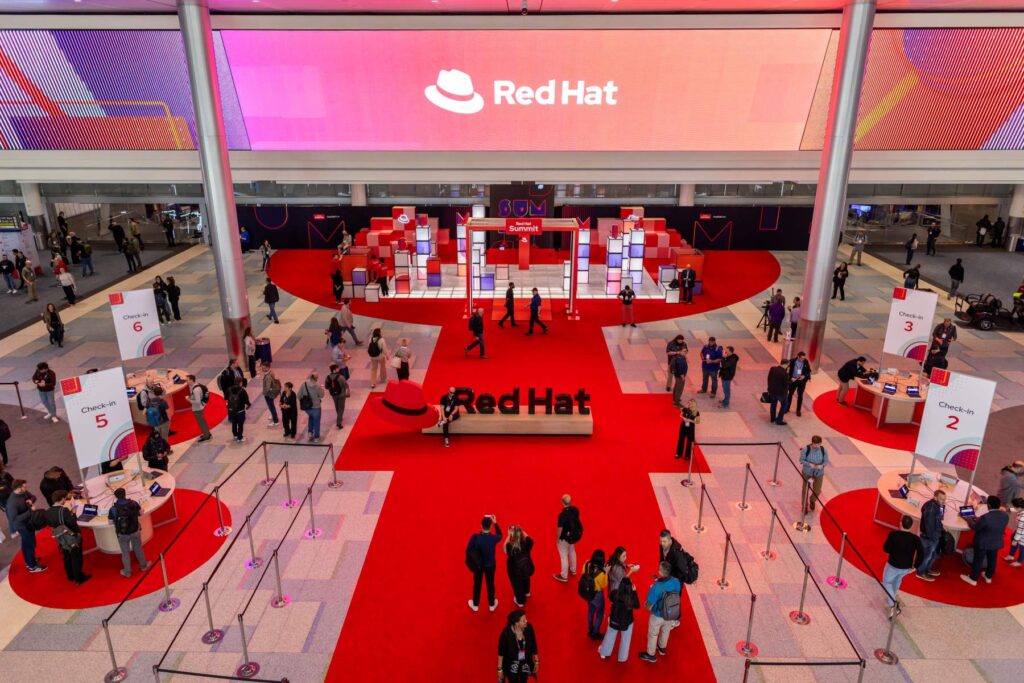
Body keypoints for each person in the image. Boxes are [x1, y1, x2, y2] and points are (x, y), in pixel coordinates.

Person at [638, 561, 681, 663]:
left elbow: (649, 605)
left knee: (653, 634)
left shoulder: (657, 587)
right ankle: (662, 648)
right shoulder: (676, 581)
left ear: (661, 572)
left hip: (658, 614)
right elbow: (677, 592)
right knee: (666, 631)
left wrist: (646, 605)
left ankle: (650, 654)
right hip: (670, 612)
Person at [962, 495, 1010, 586]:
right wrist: (977, 519)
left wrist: (968, 519)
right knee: (992, 559)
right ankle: (988, 577)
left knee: (978, 560)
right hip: (996, 542)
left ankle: (973, 579)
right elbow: (995, 524)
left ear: (989, 505)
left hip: (983, 543)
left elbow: (975, 527)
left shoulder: (986, 517)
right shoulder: (1005, 516)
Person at [45, 490, 90, 585]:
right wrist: (73, 513)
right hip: (71, 537)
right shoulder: (64, 511)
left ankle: (70, 575)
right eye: (65, 498)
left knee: (66, 556)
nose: (65, 500)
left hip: (60, 538)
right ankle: (79, 578)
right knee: (76, 557)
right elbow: (72, 523)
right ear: (61, 499)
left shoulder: (48, 512)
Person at [882, 515, 923, 610]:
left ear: (901, 523)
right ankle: (892, 597)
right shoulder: (915, 539)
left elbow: (886, 549)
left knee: (887, 582)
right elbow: (921, 553)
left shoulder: (893, 535)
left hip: (893, 565)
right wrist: (916, 566)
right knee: (897, 580)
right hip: (906, 567)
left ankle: (893, 604)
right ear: (911, 526)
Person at [6, 480, 46, 573]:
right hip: (22, 526)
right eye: (24, 487)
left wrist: (31, 500)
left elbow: (33, 497)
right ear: (19, 488)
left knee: (26, 544)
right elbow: (15, 520)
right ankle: (32, 566)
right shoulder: (12, 503)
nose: (26, 488)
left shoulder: (23, 492)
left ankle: (29, 561)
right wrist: (30, 511)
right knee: (29, 545)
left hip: (29, 523)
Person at [600, 571, 640, 663]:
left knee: (610, 635)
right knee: (626, 639)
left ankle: (604, 652)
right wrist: (634, 592)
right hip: (627, 620)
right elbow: (637, 606)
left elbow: (611, 598)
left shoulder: (614, 593)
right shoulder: (631, 597)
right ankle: (622, 657)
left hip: (614, 618)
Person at [467, 514, 503, 612]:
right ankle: (492, 604)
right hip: (490, 565)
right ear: (490, 526)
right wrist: (495, 523)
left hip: (478, 565)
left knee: (477, 584)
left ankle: (475, 605)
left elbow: (468, 550)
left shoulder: (475, 538)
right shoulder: (493, 538)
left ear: (481, 525)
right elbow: (500, 535)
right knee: (490, 584)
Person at [109, 487, 147, 578]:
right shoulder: (133, 503)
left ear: (116, 497)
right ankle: (143, 566)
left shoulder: (113, 509)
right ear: (125, 494)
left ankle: (127, 572)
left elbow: (110, 522)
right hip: (135, 531)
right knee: (138, 548)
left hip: (122, 534)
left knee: (125, 553)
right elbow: (141, 513)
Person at [497, 609, 538, 682]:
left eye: (526, 619)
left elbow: (533, 644)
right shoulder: (506, 634)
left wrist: (537, 661)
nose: (526, 621)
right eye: (523, 620)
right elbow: (501, 652)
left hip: (525, 662)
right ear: (516, 623)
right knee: (513, 680)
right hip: (511, 664)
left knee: (524, 679)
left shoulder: (529, 628)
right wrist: (500, 669)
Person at [915, 489, 946, 581]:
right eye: (942, 499)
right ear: (935, 498)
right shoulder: (931, 509)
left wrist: (941, 527)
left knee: (932, 555)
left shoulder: (938, 506)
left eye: (944, 499)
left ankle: (927, 569)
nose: (944, 501)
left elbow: (940, 518)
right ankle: (920, 572)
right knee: (927, 556)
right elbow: (929, 526)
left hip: (934, 536)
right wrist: (934, 538)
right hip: (929, 538)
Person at [553, 494, 581, 583]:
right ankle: (573, 569)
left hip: (564, 538)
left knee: (563, 556)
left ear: (562, 502)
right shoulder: (575, 510)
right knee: (572, 551)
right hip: (573, 536)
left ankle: (564, 575)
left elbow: (560, 529)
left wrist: (557, 538)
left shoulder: (562, 515)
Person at [504, 525, 534, 607]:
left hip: (514, 570)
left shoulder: (510, 546)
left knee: (517, 584)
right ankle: (527, 592)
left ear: (512, 536)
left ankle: (520, 601)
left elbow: (504, 548)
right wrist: (520, 531)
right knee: (526, 578)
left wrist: (509, 535)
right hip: (526, 567)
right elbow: (529, 538)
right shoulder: (527, 543)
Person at [582, 549, 608, 640]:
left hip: (588, 593)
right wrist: (606, 572)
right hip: (597, 595)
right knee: (599, 615)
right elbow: (604, 585)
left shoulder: (586, 564)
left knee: (590, 611)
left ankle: (590, 629)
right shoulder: (601, 573)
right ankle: (595, 633)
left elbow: (583, 574)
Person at [799, 436, 829, 512]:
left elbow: (826, 461)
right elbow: (801, 460)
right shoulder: (806, 449)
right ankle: (804, 506)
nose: (817, 446)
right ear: (812, 443)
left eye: (819, 444)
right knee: (805, 490)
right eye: (815, 444)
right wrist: (809, 464)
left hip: (818, 473)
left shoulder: (823, 450)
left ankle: (812, 500)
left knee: (817, 490)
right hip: (807, 472)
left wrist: (822, 465)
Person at [298, 372, 324, 442]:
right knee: (316, 422)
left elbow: (299, 395)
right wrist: (322, 389)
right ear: (316, 378)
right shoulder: (318, 386)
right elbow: (322, 395)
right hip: (316, 407)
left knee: (311, 417)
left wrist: (304, 400)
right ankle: (316, 437)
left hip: (307, 408)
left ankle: (310, 434)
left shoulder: (304, 384)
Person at [186, 374, 212, 441]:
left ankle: (206, 436)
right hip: (199, 407)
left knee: (201, 422)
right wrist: (191, 397)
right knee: (202, 421)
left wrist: (188, 400)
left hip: (198, 408)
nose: (186, 382)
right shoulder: (196, 385)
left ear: (191, 380)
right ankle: (207, 433)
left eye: (187, 380)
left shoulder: (195, 389)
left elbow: (197, 402)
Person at [325, 363, 350, 429]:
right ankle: (339, 422)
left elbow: (326, 387)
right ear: (334, 370)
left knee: (337, 407)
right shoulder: (340, 377)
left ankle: (339, 416)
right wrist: (347, 391)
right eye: (337, 368)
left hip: (333, 395)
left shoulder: (328, 377)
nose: (338, 369)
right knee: (341, 408)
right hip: (341, 395)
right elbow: (345, 385)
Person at [787, 351, 811, 417]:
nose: (803, 359)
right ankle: (787, 408)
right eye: (801, 358)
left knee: (800, 395)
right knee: (790, 394)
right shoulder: (792, 361)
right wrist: (790, 377)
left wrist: (804, 376)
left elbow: (808, 371)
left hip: (801, 381)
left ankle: (798, 410)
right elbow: (786, 369)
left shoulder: (806, 361)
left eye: (804, 358)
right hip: (793, 380)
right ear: (798, 356)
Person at [226, 377, 251, 443]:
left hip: (231, 410)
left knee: (234, 423)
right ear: (241, 383)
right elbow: (246, 400)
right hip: (240, 410)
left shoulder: (229, 389)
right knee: (240, 424)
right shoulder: (242, 391)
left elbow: (226, 397)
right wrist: (249, 405)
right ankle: (240, 437)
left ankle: (235, 435)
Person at [766, 361, 789, 426]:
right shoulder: (784, 373)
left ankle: (772, 418)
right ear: (785, 365)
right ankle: (779, 420)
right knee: (784, 405)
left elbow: (769, 378)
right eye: (788, 365)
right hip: (781, 393)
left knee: (773, 404)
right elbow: (785, 384)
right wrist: (791, 381)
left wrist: (769, 388)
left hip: (772, 391)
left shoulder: (772, 369)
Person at [1005, 498, 1024, 567]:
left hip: (1022, 533)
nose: (1014, 508)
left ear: (1019, 507)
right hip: (1020, 530)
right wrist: (1008, 509)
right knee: (1013, 537)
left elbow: (1020, 530)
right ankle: (1011, 555)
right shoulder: (1021, 509)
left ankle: (1019, 561)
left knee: (1022, 547)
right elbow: (1015, 509)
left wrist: (1016, 540)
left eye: (1014, 506)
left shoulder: (1022, 518)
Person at [261, 362, 281, 427]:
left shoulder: (268, 376)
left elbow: (267, 387)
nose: (262, 369)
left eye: (264, 368)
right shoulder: (270, 373)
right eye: (262, 368)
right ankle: (273, 416)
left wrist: (264, 392)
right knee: (271, 406)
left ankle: (275, 421)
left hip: (268, 394)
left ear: (268, 367)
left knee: (271, 407)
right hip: (270, 393)